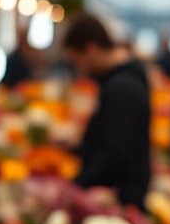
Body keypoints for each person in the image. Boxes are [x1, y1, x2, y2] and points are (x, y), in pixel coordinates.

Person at [63, 15, 151, 210]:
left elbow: (116, 152)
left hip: (118, 197)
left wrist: (78, 186)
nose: (80, 69)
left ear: (92, 49)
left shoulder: (121, 88)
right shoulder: (122, 80)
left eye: (78, 61)